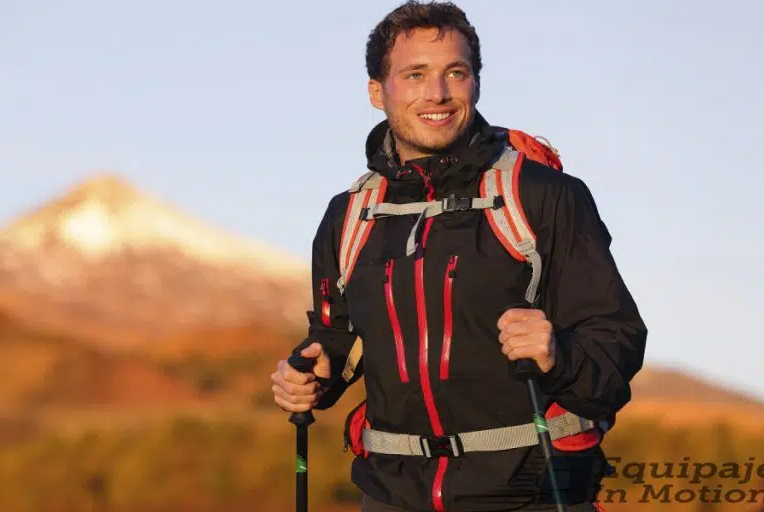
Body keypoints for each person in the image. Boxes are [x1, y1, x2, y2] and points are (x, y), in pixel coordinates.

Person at [270, 2, 648, 511]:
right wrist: (313, 374)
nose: (438, 94)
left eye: (456, 72)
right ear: (377, 91)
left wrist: (557, 353)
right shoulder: (349, 215)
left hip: (533, 493)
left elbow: (617, 343)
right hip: (390, 494)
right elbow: (337, 337)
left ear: (476, 82)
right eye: (415, 74)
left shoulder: (545, 196)